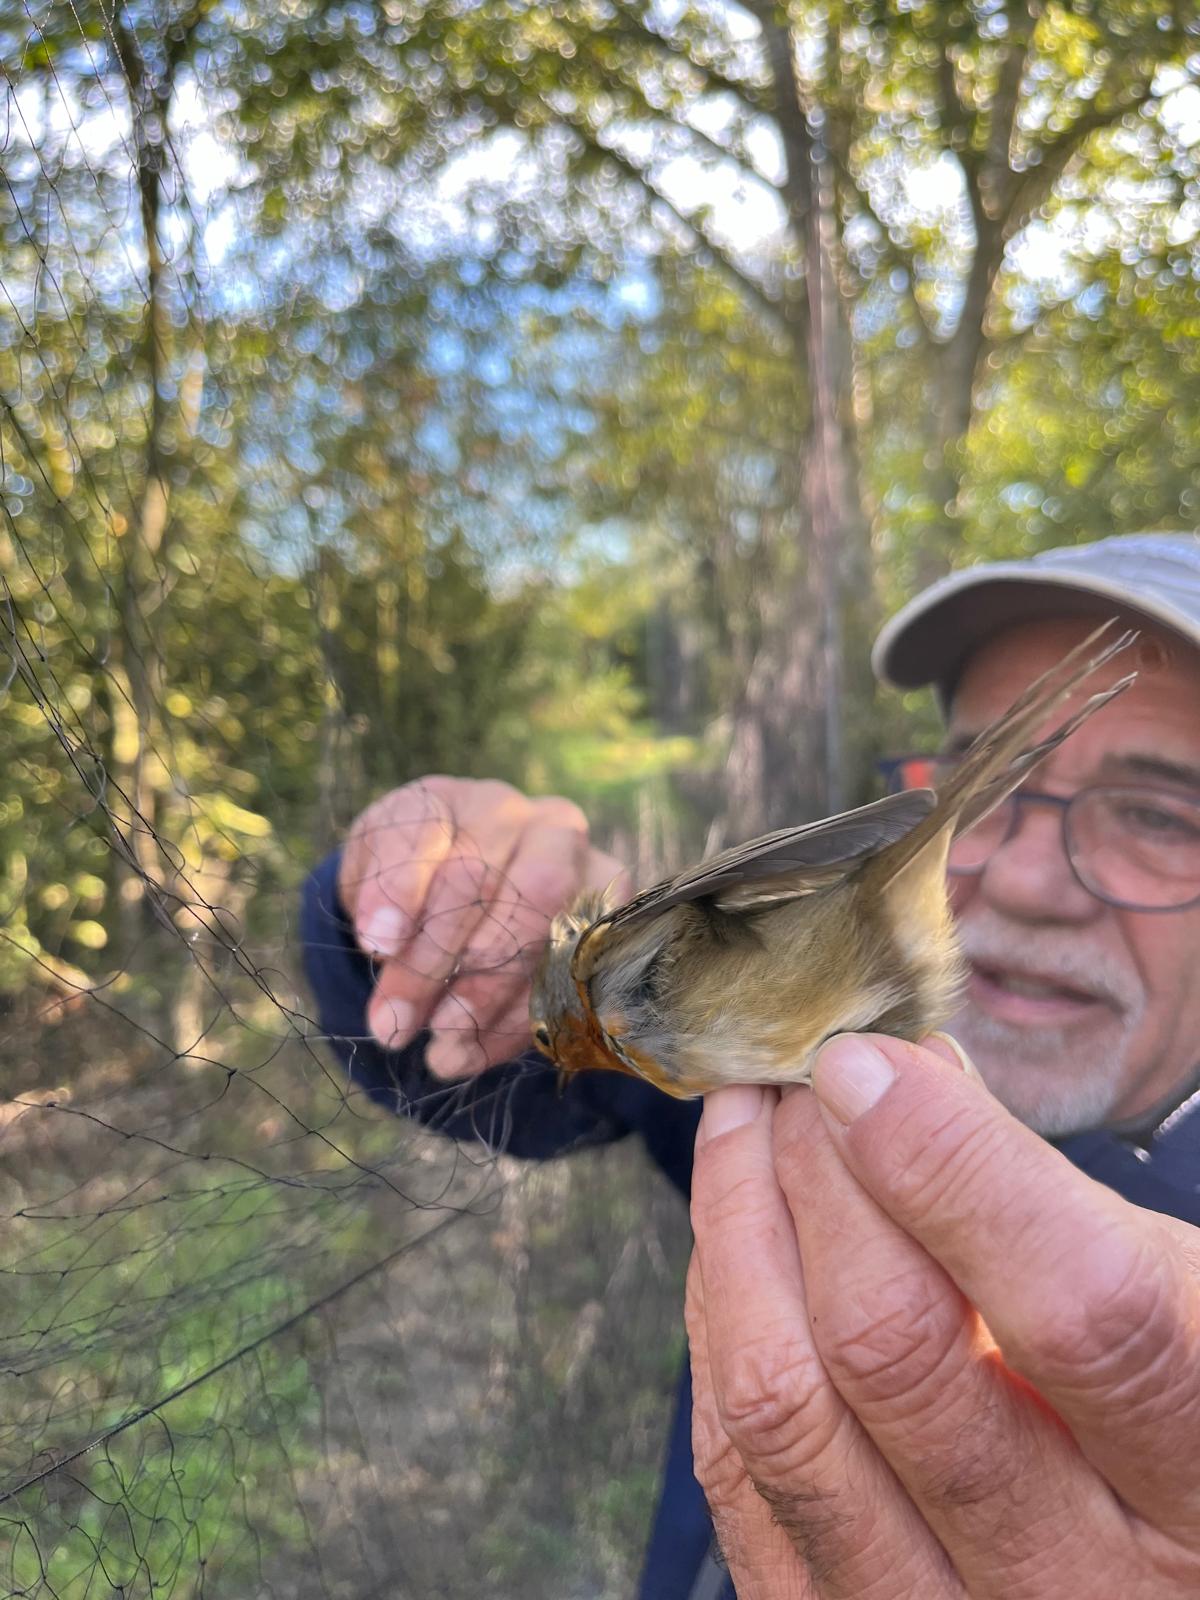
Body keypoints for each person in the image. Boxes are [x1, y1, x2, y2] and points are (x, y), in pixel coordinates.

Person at [301, 532, 1200, 1600]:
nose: (1023, 877)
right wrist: (419, 920)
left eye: (1157, 815)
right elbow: (498, 1078)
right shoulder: (752, 1092)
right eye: (976, 784)